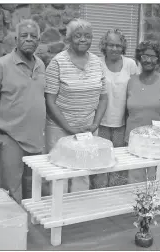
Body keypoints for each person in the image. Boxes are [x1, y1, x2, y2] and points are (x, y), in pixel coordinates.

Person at [0, 20, 46, 203]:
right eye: (24, 36)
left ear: (39, 41)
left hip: (35, 139)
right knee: (11, 190)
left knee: (33, 188)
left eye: (33, 36)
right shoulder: (1, 66)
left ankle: (29, 229)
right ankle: (14, 229)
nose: (29, 39)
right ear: (16, 40)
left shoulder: (41, 65)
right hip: (10, 138)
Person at [45, 18, 108, 194]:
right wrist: (69, 127)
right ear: (69, 39)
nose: (83, 40)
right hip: (59, 128)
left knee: (83, 172)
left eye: (87, 36)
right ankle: (57, 217)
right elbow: (50, 100)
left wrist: (95, 125)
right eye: (78, 36)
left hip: (88, 129)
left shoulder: (97, 63)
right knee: (59, 173)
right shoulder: (57, 63)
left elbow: (103, 98)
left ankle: (78, 215)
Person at [125, 40, 160, 183]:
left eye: (153, 56)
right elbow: (127, 112)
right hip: (135, 143)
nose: (148, 60)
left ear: (158, 59)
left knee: (157, 183)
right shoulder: (131, 82)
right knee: (135, 183)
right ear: (139, 58)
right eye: (144, 56)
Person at [91, 29, 139, 189]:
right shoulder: (96, 63)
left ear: (123, 47)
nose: (114, 48)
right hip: (100, 122)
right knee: (99, 161)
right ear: (104, 46)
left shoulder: (130, 64)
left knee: (119, 162)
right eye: (110, 45)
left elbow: (136, 90)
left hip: (123, 123)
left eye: (118, 45)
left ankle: (116, 195)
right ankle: (98, 195)